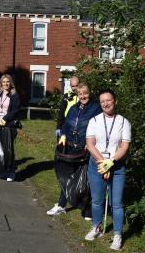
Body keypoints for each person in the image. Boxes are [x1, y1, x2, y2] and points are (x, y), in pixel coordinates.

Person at [84, 88, 131, 251]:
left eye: (108, 100)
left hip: (117, 167)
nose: (105, 103)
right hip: (96, 164)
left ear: (115, 101)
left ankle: (117, 235)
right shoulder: (94, 121)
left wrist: (110, 162)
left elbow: (125, 146)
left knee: (116, 203)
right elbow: (90, 144)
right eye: (102, 101)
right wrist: (102, 161)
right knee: (96, 200)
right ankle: (96, 227)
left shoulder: (124, 122)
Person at [47, 83, 101, 218]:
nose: (83, 96)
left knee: (86, 179)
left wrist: (91, 143)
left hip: (87, 148)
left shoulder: (96, 109)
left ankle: (87, 209)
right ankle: (61, 205)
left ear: (90, 93)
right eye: (80, 94)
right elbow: (66, 124)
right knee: (67, 177)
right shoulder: (73, 108)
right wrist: (63, 135)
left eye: (85, 93)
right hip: (71, 147)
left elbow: (99, 128)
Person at [0, 74, 21, 182]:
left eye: (8, 82)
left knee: (8, 150)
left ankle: (11, 172)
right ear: (1, 83)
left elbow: (16, 110)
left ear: (11, 83)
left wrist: (5, 119)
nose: (6, 84)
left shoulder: (14, 95)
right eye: (4, 82)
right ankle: (1, 171)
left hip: (8, 125)